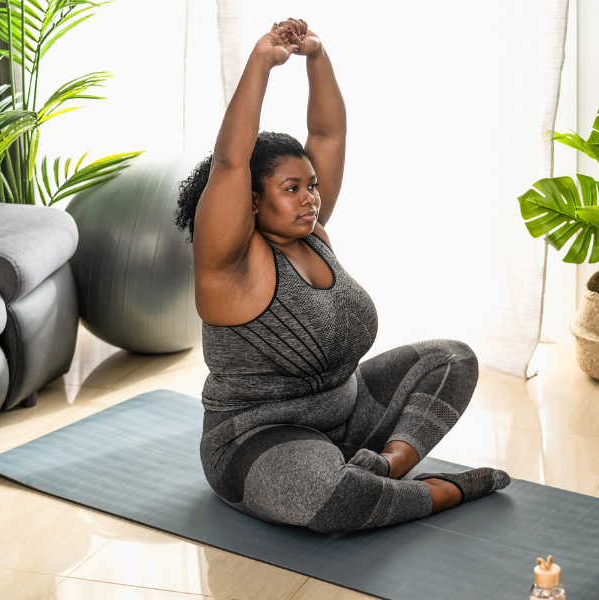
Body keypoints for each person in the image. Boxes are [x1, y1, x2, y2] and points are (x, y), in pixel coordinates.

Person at [174, 18, 510, 533]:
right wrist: (263, 60)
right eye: (293, 188)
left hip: (351, 421)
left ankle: (390, 467)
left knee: (452, 358)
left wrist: (316, 56)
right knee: (327, 497)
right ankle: (438, 492)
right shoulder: (230, 270)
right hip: (261, 441)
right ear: (251, 198)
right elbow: (229, 161)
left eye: (312, 185)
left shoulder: (314, 233)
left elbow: (329, 132)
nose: (311, 197)